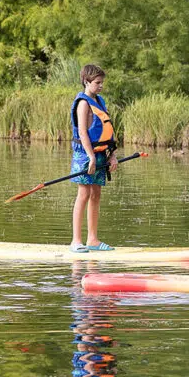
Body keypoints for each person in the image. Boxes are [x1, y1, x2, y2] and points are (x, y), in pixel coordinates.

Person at [69, 64, 118, 252]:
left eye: (102, 82)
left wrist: (112, 156)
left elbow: (108, 130)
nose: (101, 86)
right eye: (97, 82)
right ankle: (76, 241)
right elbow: (82, 132)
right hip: (84, 155)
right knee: (84, 194)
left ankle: (93, 240)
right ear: (86, 82)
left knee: (96, 195)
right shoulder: (83, 104)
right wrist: (90, 157)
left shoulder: (100, 101)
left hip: (100, 154)